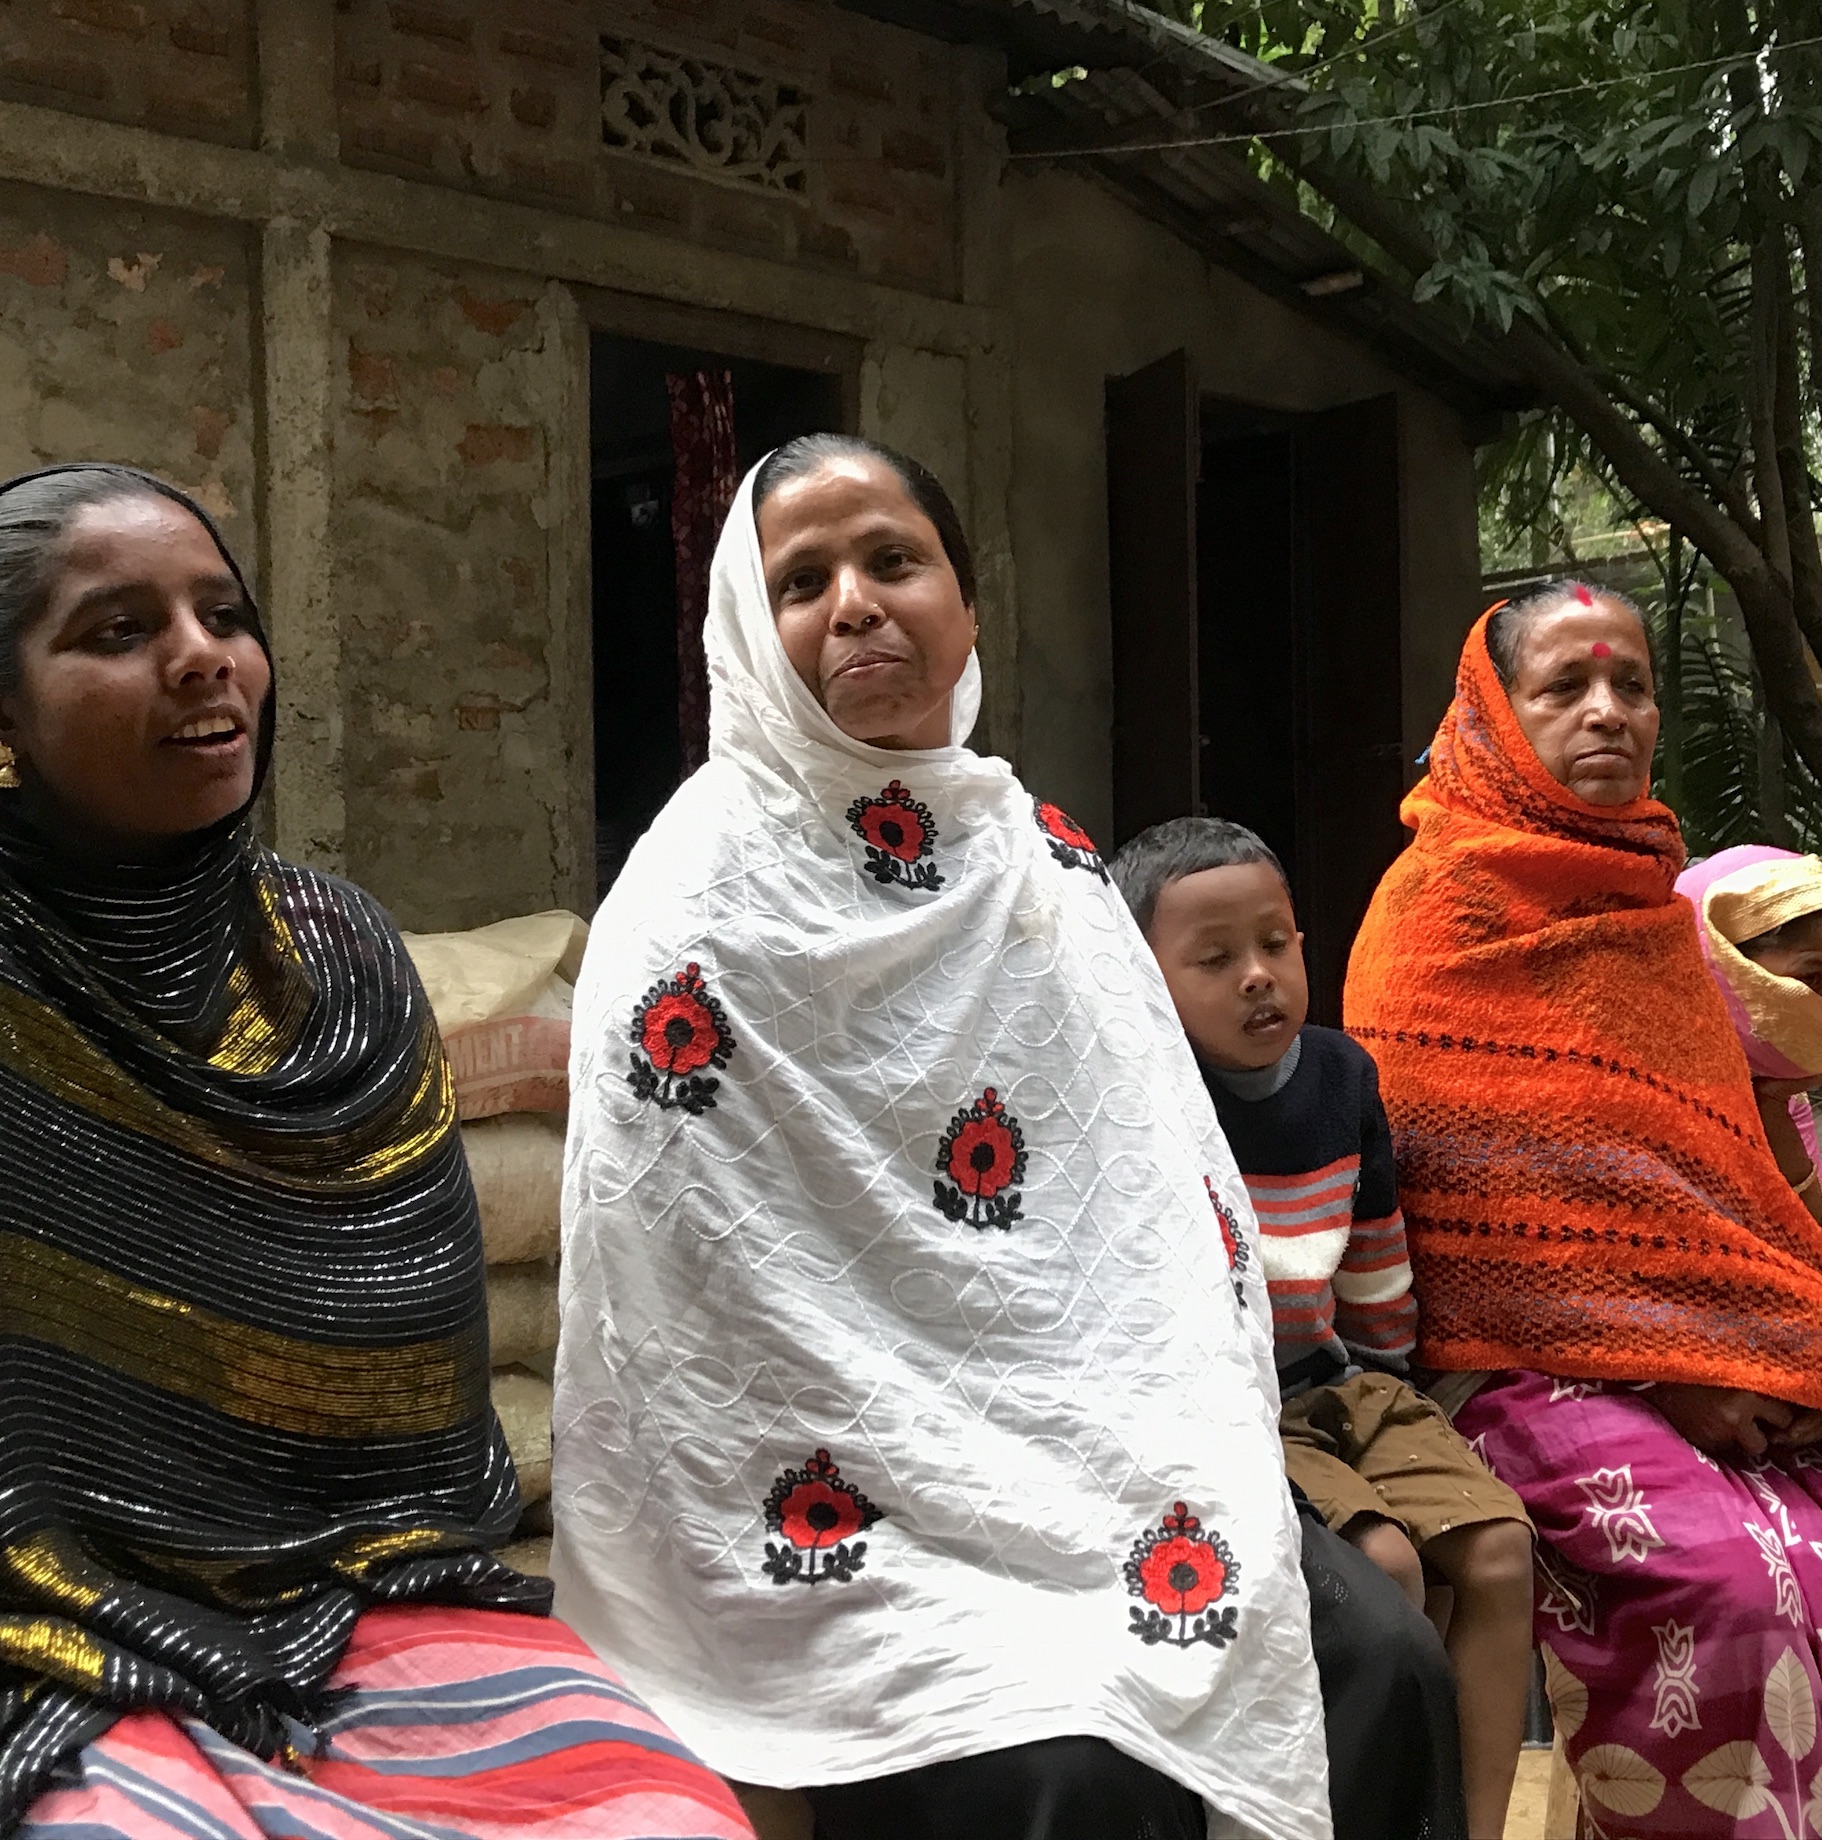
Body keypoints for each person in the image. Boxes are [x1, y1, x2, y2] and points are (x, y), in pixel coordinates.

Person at [0, 466, 752, 1840]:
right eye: (117, 632)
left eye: (224, 613)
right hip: (19, 1637)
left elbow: (406, 1393)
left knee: (666, 1818)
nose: (200, 659)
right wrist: (123, 1614)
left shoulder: (335, 958)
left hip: (363, 1596)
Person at [553, 436, 1332, 1840]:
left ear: (966, 610)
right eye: (802, 580)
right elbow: (678, 1276)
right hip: (839, 1497)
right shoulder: (694, 892)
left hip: (1098, 1452)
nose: (854, 602)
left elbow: (1150, 1208)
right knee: (1070, 1768)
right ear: (747, 624)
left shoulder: (1038, 857)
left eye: (892, 561)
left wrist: (1132, 1441)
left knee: (1376, 1657)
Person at [1342, 580, 1822, 1840]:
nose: (1608, 712)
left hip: (1716, 1337)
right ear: (1498, 717)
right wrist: (1669, 1375)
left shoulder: (1658, 916)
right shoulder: (1433, 915)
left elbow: (1720, 1186)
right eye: (1564, 689)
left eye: (1632, 686)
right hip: (1524, 1364)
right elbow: (1457, 1213)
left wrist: (1762, 1343)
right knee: (1726, 1581)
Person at [1114, 816, 1532, 1840]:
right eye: (1214, 959)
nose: (1257, 976)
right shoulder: (1149, 1098)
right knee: (1381, 1567)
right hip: (1244, 1402)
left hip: (1345, 1379)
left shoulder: (1342, 1076)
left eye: (1276, 942)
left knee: (1500, 1552)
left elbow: (1375, 1250)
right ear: (1142, 978)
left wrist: (1392, 1381)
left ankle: (1473, 1824)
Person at [1672, 846, 1822, 1328]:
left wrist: (1773, 1105)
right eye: (1811, 977)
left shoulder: (1774, 1087)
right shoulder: (1638, 1085)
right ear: (1715, 963)